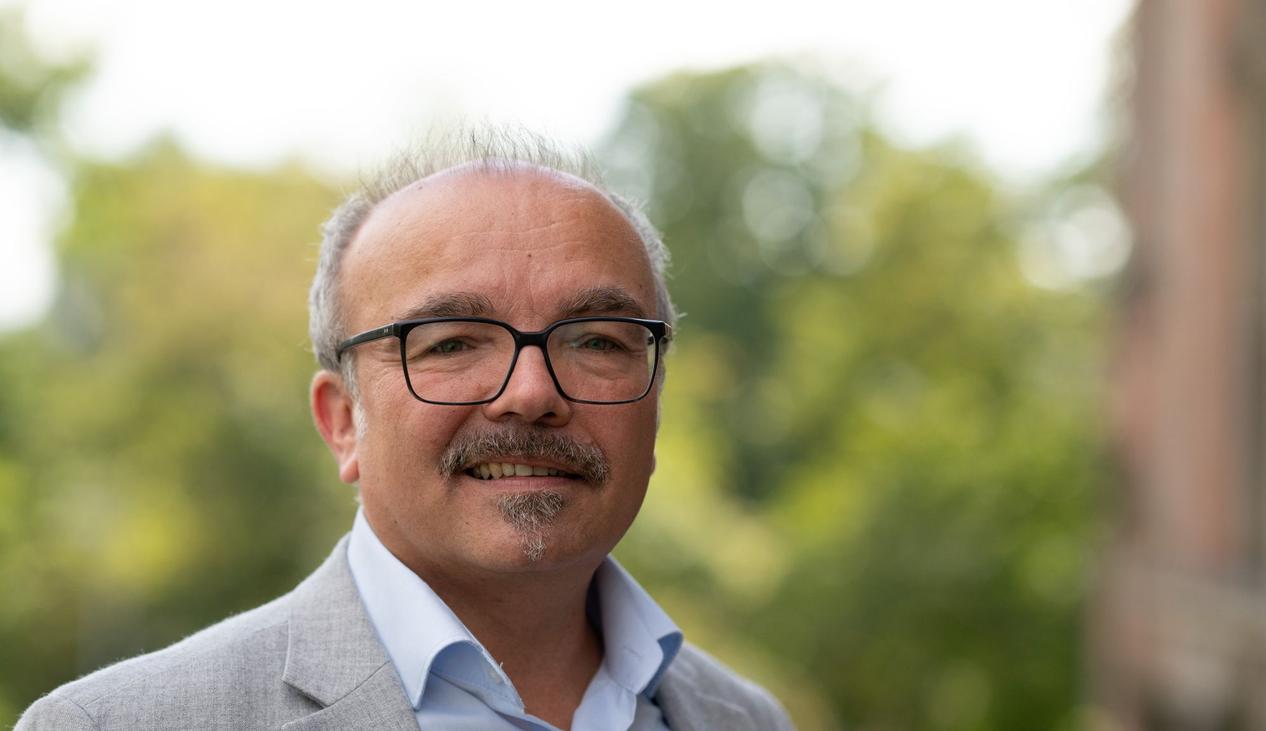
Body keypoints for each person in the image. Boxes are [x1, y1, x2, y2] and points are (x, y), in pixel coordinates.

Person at [17, 128, 795, 731]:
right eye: (451, 344)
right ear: (342, 421)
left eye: (595, 340)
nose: (530, 392)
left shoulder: (746, 720)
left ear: (656, 400)